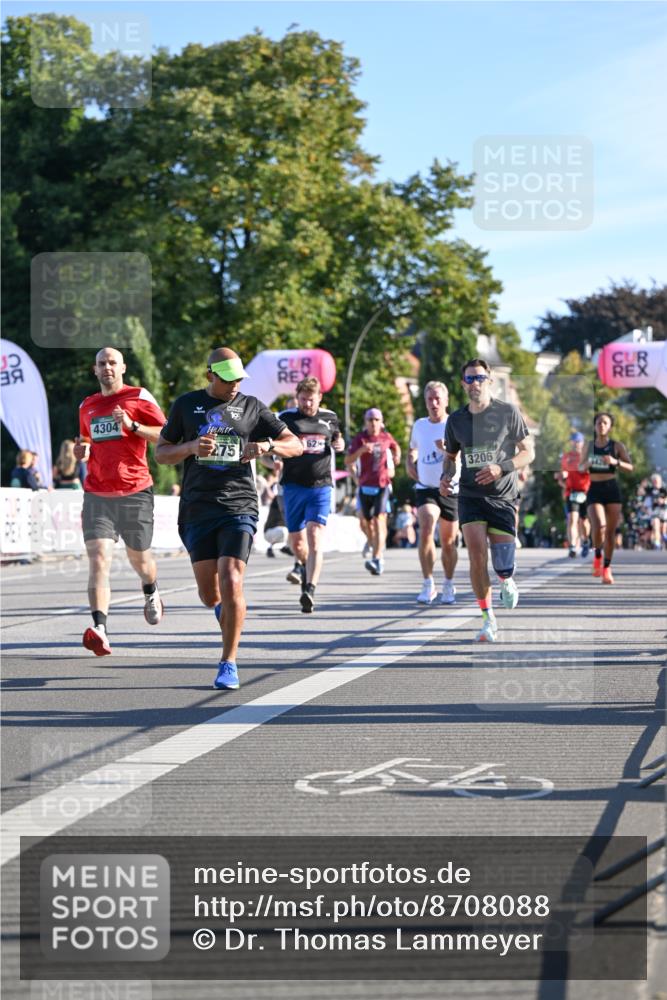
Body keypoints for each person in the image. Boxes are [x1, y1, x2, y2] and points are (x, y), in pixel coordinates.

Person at [155, 347, 302, 689]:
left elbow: (295, 444)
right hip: (197, 508)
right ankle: (224, 612)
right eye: (228, 377)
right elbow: (161, 453)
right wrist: (191, 448)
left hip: (239, 504)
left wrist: (267, 447)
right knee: (210, 594)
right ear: (210, 375)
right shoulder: (185, 405)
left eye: (239, 377)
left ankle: (228, 662)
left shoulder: (251, 407)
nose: (235, 383)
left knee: (232, 576)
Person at [74, 347, 167, 656]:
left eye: (112, 362)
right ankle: (100, 628)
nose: (107, 367)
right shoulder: (87, 405)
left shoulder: (139, 397)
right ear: (95, 369)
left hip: (135, 491)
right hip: (97, 492)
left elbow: (167, 436)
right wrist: (82, 451)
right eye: (102, 363)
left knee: (140, 560)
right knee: (99, 557)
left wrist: (133, 426)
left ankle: (151, 589)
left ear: (123, 367)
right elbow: (86, 440)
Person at [440, 358, 533, 642]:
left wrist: (500, 467)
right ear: (463, 384)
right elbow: (450, 457)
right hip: (470, 495)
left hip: (503, 495)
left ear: (490, 381)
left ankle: (506, 578)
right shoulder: (456, 420)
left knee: (502, 564)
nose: (475, 383)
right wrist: (446, 477)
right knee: (477, 554)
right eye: (470, 379)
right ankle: (487, 618)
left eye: (480, 378)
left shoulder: (507, 412)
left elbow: (528, 452)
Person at [278, 376, 344, 612]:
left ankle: (310, 589)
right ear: (297, 398)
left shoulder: (330, 417)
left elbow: (338, 437)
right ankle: (304, 565)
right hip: (293, 486)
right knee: (298, 543)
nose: (307, 404)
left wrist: (340, 444)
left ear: (319, 397)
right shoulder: (286, 418)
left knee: (315, 535)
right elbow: (273, 443)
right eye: (303, 399)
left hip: (321, 485)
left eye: (311, 400)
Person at [406, 380, 460, 604]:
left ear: (446, 401)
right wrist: (410, 461)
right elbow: (413, 449)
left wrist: (447, 450)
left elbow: (466, 455)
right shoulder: (419, 425)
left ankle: (448, 583)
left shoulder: (455, 424)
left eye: (438, 398)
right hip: (426, 487)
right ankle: (428, 583)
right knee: (426, 525)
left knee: (449, 541)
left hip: (450, 488)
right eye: (430, 399)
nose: (434, 403)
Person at [345, 408, 401, 576]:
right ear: (365, 422)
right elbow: (348, 460)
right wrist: (361, 451)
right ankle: (371, 541)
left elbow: (395, 447)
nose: (373, 423)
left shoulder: (386, 437)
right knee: (364, 522)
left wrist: (397, 456)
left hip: (382, 485)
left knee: (378, 520)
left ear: (381, 421)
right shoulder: (359, 439)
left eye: (376, 419)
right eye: (370, 420)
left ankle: (377, 558)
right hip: (364, 485)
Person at [582, 412, 633, 584]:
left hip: (611, 489)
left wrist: (615, 462)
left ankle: (606, 568)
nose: (601, 425)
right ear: (595, 426)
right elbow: (580, 467)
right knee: (599, 526)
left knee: (610, 533)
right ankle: (597, 555)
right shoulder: (589, 446)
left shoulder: (617, 446)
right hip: (594, 489)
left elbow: (630, 467)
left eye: (605, 423)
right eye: (598, 423)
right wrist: (587, 464)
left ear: (610, 426)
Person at [557, 432, 591, 558]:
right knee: (572, 519)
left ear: (582, 443)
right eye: (574, 441)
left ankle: (586, 541)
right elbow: (562, 475)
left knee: (584, 521)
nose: (576, 444)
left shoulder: (587, 457)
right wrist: (562, 477)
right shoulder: (566, 457)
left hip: (586, 492)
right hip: (572, 493)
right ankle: (572, 546)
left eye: (578, 441)